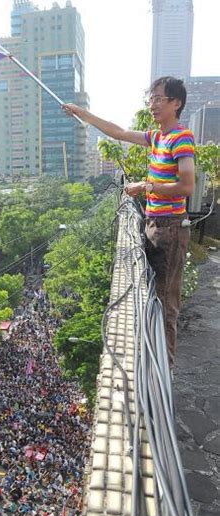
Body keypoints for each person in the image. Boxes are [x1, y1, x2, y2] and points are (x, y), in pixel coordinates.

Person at [63, 76, 195, 367]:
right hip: (155, 224)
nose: (153, 104)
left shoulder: (181, 138)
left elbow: (187, 186)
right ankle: (152, 359)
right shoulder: (157, 137)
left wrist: (145, 187)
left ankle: (162, 373)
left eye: (159, 98)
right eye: (151, 99)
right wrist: (81, 113)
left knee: (164, 302)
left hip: (170, 228)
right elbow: (119, 132)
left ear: (177, 103)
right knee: (152, 295)